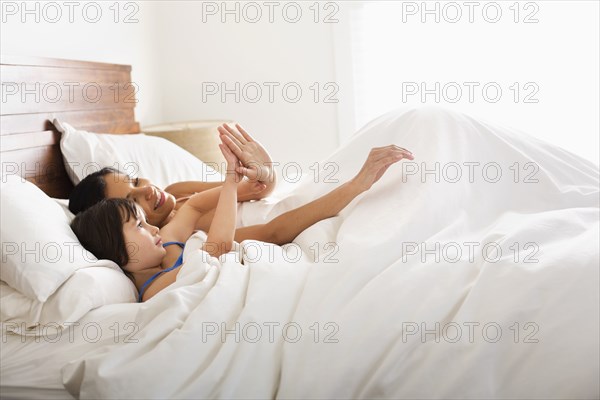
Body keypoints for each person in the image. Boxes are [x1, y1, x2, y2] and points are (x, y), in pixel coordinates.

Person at [71, 132, 414, 301]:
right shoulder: (180, 237)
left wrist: (263, 169)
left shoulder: (177, 192)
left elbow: (256, 189)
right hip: (286, 221)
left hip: (285, 206)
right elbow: (270, 229)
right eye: (132, 201)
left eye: (135, 180)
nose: (146, 191)